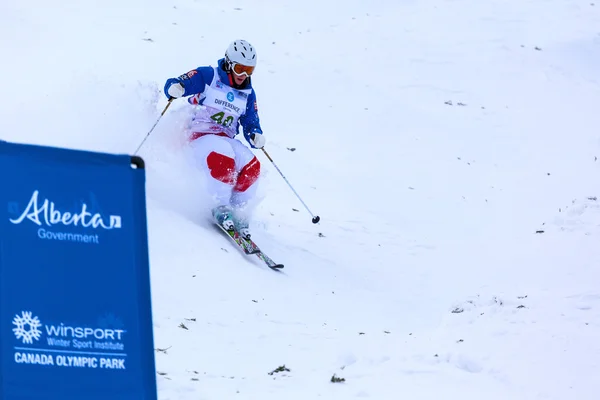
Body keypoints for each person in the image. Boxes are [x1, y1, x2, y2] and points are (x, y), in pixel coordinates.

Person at [163, 39, 266, 239]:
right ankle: (219, 205)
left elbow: (250, 120)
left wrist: (255, 133)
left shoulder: (247, 94)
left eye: (249, 70)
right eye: (240, 68)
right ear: (229, 63)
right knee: (223, 154)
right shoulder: (210, 76)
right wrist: (176, 88)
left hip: (225, 137)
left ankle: (239, 211)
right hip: (197, 135)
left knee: (251, 165)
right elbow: (179, 82)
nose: (243, 75)